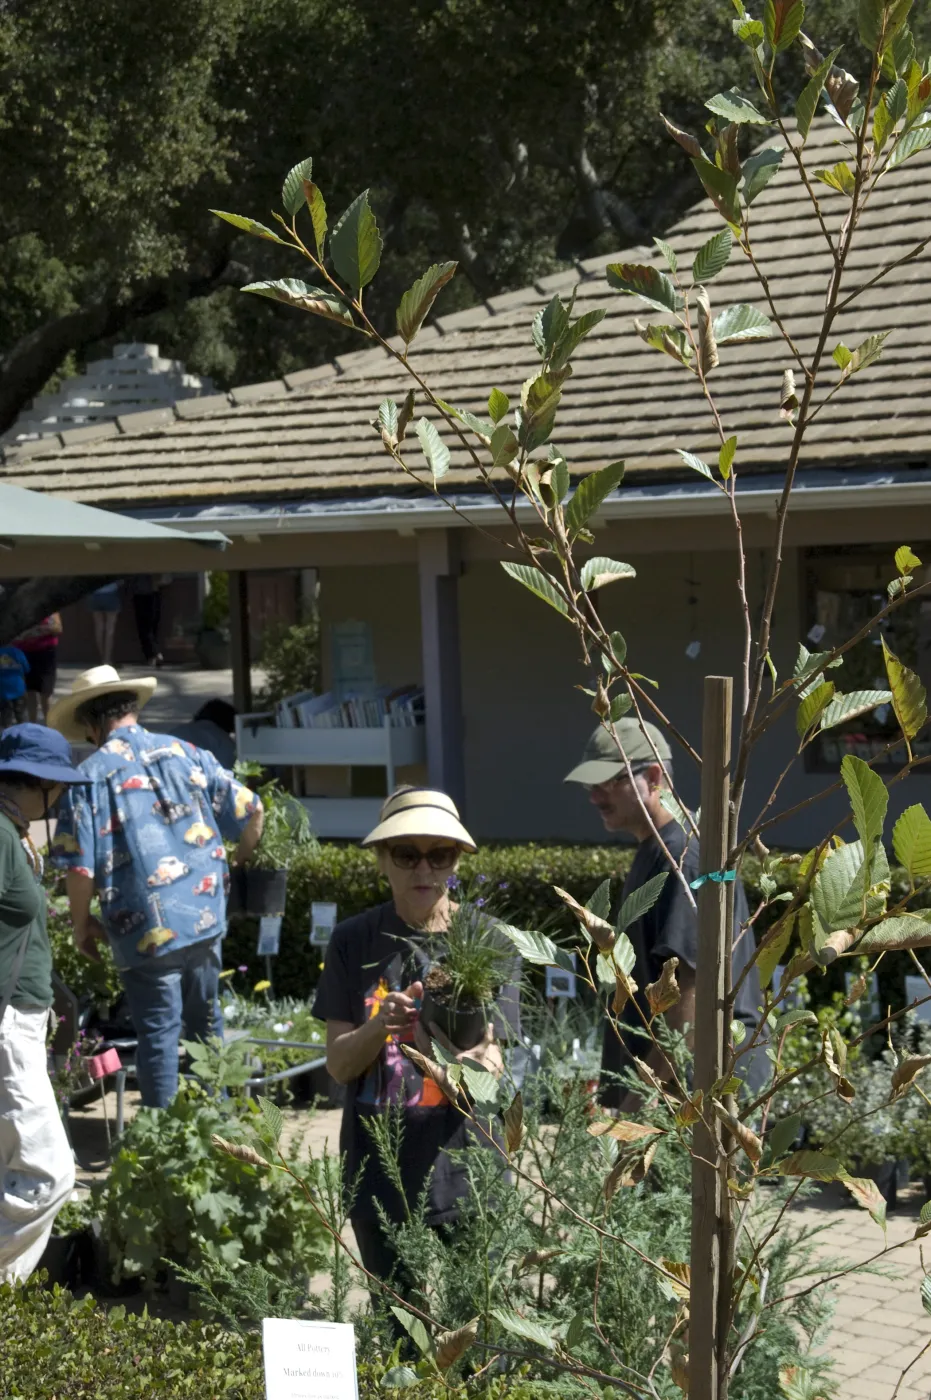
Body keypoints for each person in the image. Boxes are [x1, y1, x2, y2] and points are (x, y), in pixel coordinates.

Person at [313, 787, 517, 1296]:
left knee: (482, 1335)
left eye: (439, 854)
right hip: (378, 1174)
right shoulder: (353, 940)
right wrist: (380, 1026)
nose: (423, 870)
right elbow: (338, 1065)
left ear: (456, 860)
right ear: (382, 859)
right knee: (396, 1335)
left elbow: (498, 1060)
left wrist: (458, 1064)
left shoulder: (490, 941)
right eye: (406, 854)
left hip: (467, 1171)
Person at [47, 665, 264, 1108]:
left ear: (91, 725)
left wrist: (81, 925)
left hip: (143, 929)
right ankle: (222, 1130)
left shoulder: (87, 779)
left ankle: (162, 1143)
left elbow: (80, 871)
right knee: (208, 1026)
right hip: (205, 916)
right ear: (130, 710)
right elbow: (253, 811)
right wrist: (238, 862)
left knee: (159, 1036)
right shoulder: (186, 751)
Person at [564, 719, 763, 1111]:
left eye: (607, 782)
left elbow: (689, 992)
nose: (594, 797)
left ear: (653, 776)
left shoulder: (684, 858)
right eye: (591, 786)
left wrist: (641, 1098)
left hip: (696, 1092)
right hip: (680, 1087)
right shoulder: (661, 850)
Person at [0, 724, 88, 1282]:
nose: (61, 797)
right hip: (7, 1026)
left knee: (15, 1168)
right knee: (49, 1173)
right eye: (57, 787)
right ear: (36, 784)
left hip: (22, 1021)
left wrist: (56, 994)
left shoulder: (14, 831)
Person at [15, 613, 62, 722]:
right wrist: (39, 631)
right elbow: (17, 634)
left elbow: (58, 628)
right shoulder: (21, 609)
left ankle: (49, 726)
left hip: (46, 652)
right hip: (25, 652)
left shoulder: (50, 609)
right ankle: (32, 726)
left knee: (46, 692)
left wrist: (36, 631)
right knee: (30, 692)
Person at [130, 575, 167, 667]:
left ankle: (153, 655)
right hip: (151, 592)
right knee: (150, 626)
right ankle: (153, 655)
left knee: (145, 627)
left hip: (143, 593)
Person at [87, 581, 123, 664]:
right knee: (110, 629)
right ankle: (107, 659)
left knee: (98, 628)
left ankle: (102, 657)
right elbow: (120, 582)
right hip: (111, 592)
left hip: (95, 594)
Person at [0, 644, 30, 729]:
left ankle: (5, 736)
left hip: (2, 690)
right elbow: (27, 668)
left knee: (5, 717)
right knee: (21, 715)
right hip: (18, 688)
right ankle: (24, 735)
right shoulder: (17, 652)